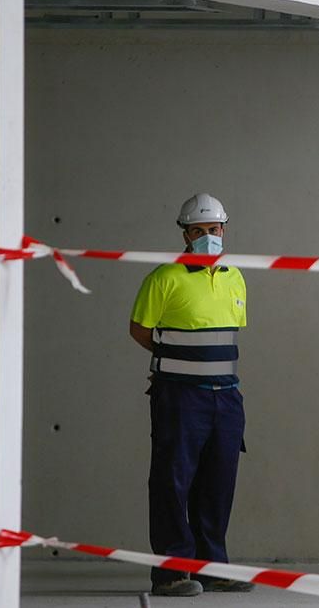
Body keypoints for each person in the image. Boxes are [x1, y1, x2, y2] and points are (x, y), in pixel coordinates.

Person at [129, 193, 254, 597]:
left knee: (219, 481)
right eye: (198, 231)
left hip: (226, 399)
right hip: (180, 397)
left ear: (225, 229)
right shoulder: (163, 279)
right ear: (184, 234)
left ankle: (212, 565)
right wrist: (180, 360)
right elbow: (140, 331)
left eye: (213, 230)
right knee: (172, 480)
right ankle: (170, 572)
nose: (207, 237)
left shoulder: (235, 277)